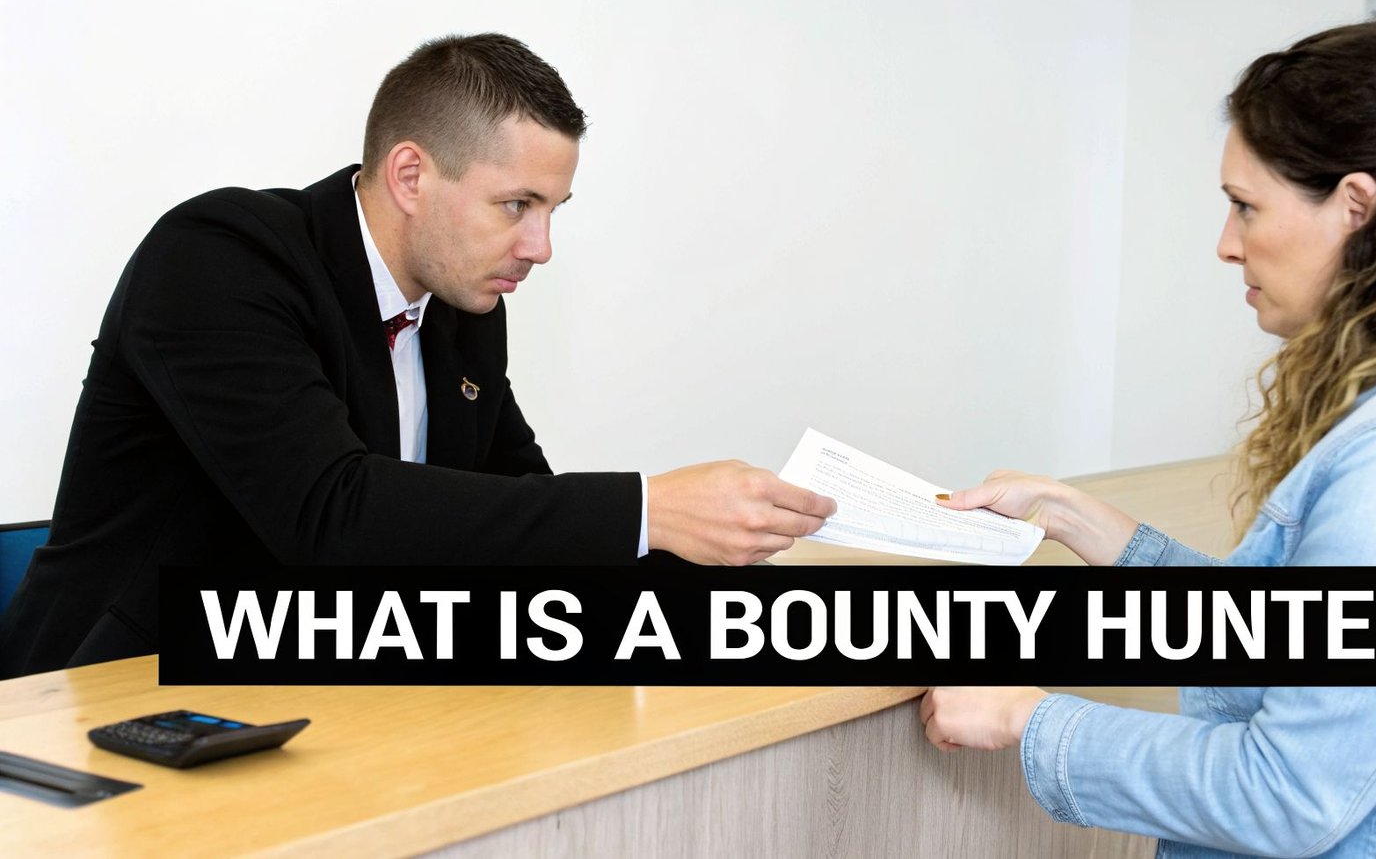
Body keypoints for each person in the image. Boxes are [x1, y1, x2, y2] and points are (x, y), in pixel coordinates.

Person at [920, 18, 1376, 857]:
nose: (1227, 244)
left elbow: (1288, 794)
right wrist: (1076, 519)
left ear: (1356, 206)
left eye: (1247, 206)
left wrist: (1026, 717)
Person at [0, 33, 835, 678]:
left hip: (317, 696)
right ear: (410, 175)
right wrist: (650, 510)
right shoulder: (220, 258)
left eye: (553, 209)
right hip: (97, 704)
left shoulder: (462, 303)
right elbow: (332, 514)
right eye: (517, 204)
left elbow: (522, 519)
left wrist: (782, 605)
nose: (539, 246)